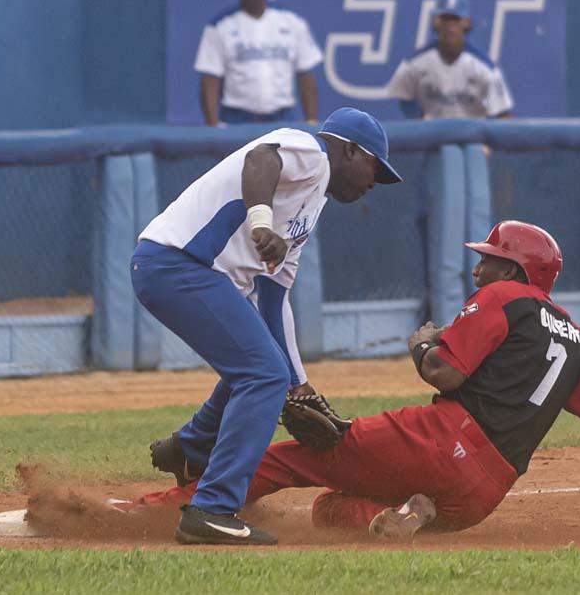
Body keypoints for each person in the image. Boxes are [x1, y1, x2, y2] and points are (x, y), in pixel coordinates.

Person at [134, 221, 580, 541]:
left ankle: (157, 512)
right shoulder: (579, 341)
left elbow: (444, 371)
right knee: (328, 510)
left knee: (286, 456)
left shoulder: (504, 297)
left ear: (514, 269)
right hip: (482, 495)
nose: (477, 270)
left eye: (487, 259)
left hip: (443, 442)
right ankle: (412, 512)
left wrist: (421, 343)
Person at [131, 107, 403, 545]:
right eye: (375, 167)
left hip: (184, 272)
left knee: (267, 368)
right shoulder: (313, 152)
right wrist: (260, 222)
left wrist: (300, 384)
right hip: (180, 264)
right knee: (263, 374)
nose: (376, 182)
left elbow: (275, 300)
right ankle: (213, 509)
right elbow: (261, 158)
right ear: (351, 150)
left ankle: (192, 449)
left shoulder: (312, 205)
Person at [194, 0, 323, 127]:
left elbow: (306, 74)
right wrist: (212, 126)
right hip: (236, 118)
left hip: (282, 117)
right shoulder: (220, 25)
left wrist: (312, 122)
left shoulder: (292, 21)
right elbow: (210, 80)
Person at [387, 0, 514, 119]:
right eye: (445, 19)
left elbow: (502, 113)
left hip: (471, 136)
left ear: (466, 23)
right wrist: (419, 124)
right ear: (436, 22)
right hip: (432, 135)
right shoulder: (414, 63)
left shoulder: (485, 68)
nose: (449, 26)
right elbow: (404, 98)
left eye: (455, 19)